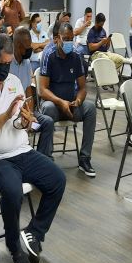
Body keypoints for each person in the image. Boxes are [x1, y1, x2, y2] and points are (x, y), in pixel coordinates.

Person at [0, 34, 66, 263]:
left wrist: (27, 120)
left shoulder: (13, 82)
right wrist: (6, 114)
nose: (6, 68)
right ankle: (13, 246)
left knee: (57, 180)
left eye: (9, 63)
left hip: (22, 151)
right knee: (12, 193)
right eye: (2, 64)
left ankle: (33, 233)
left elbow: (25, 122)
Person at [38, 23, 97, 177]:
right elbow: (42, 90)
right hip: (55, 106)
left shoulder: (76, 55)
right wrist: (60, 102)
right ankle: (47, 160)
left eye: (72, 39)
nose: (69, 42)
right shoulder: (48, 55)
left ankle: (85, 158)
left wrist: (78, 100)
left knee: (90, 108)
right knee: (47, 109)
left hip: (71, 106)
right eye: (66, 39)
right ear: (57, 39)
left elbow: (83, 88)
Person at [10, 27, 55, 158]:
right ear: (17, 46)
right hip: (12, 113)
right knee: (22, 125)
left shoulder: (27, 63)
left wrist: (30, 113)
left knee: (47, 122)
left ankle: (42, 158)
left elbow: (28, 91)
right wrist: (24, 116)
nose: (30, 49)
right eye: (27, 47)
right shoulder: (7, 63)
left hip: (26, 111)